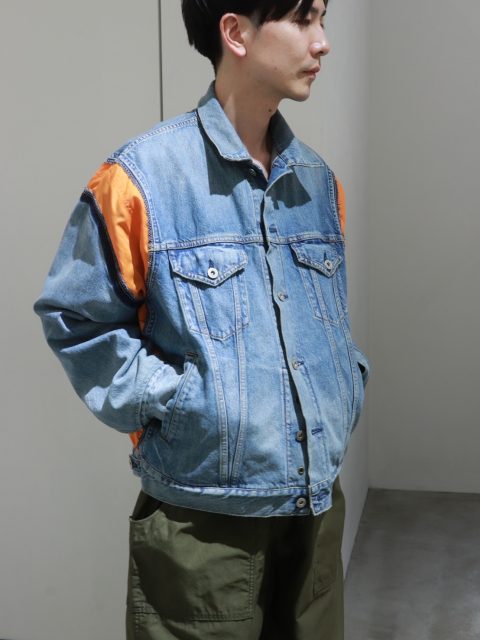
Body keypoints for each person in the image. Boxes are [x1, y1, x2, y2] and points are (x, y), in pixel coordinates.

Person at [34, 0, 370, 638]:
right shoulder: (141, 179)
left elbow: (324, 325)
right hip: (202, 526)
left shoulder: (319, 184)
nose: (322, 42)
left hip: (316, 507)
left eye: (323, 19)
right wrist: (184, 403)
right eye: (304, 19)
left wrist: (344, 384)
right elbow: (76, 318)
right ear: (235, 32)